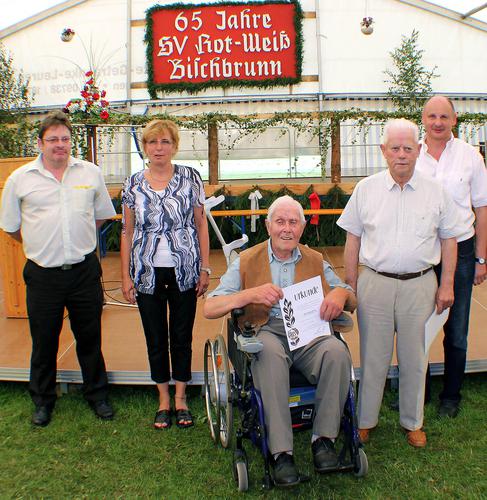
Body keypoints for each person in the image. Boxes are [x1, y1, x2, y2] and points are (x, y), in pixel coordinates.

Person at [204, 195, 356, 487]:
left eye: (293, 222)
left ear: (302, 227)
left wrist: (338, 295)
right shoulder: (247, 260)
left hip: (307, 331)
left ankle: (323, 440)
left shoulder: (314, 259)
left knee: (336, 352)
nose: (287, 229)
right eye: (280, 222)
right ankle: (281, 454)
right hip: (267, 328)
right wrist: (249, 295)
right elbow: (210, 307)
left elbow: (348, 294)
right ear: (268, 225)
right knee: (269, 355)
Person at [337, 119, 462, 448]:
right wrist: (350, 286)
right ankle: (366, 421)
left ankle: (412, 422)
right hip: (374, 284)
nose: (402, 154)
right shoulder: (366, 189)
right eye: (395, 148)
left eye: (408, 148)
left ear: (419, 150)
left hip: (420, 285)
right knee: (372, 356)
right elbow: (352, 239)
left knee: (415, 358)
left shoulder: (436, 192)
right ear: (384, 151)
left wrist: (446, 284)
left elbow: (450, 240)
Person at [0, 111, 116, 426]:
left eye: (65, 138)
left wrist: (76, 241)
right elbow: (11, 227)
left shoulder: (90, 173)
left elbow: (100, 215)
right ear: (40, 143)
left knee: (90, 338)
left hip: (83, 271)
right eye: (53, 139)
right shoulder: (20, 179)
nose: (60, 144)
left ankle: (97, 396)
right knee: (44, 341)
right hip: (43, 275)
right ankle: (43, 401)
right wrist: (41, 245)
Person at [121, 119, 210, 430]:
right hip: (146, 272)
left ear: (174, 146)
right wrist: (126, 276)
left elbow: (200, 224)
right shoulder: (133, 183)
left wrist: (204, 267)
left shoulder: (190, 177)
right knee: (155, 338)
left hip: (185, 269)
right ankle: (163, 399)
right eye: (152, 142)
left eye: (165, 142)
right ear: (145, 147)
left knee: (181, 337)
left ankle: (181, 398)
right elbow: (127, 230)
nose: (158, 148)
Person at [416, 96, 487, 418]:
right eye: (432, 116)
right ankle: (418, 393)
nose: (438, 122)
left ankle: (451, 395)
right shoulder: (412, 155)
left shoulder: (470, 156)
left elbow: (482, 208)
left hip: (462, 251)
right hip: (422, 253)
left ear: (454, 120)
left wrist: (481, 259)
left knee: (456, 330)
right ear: (423, 119)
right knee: (417, 327)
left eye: (444, 116)